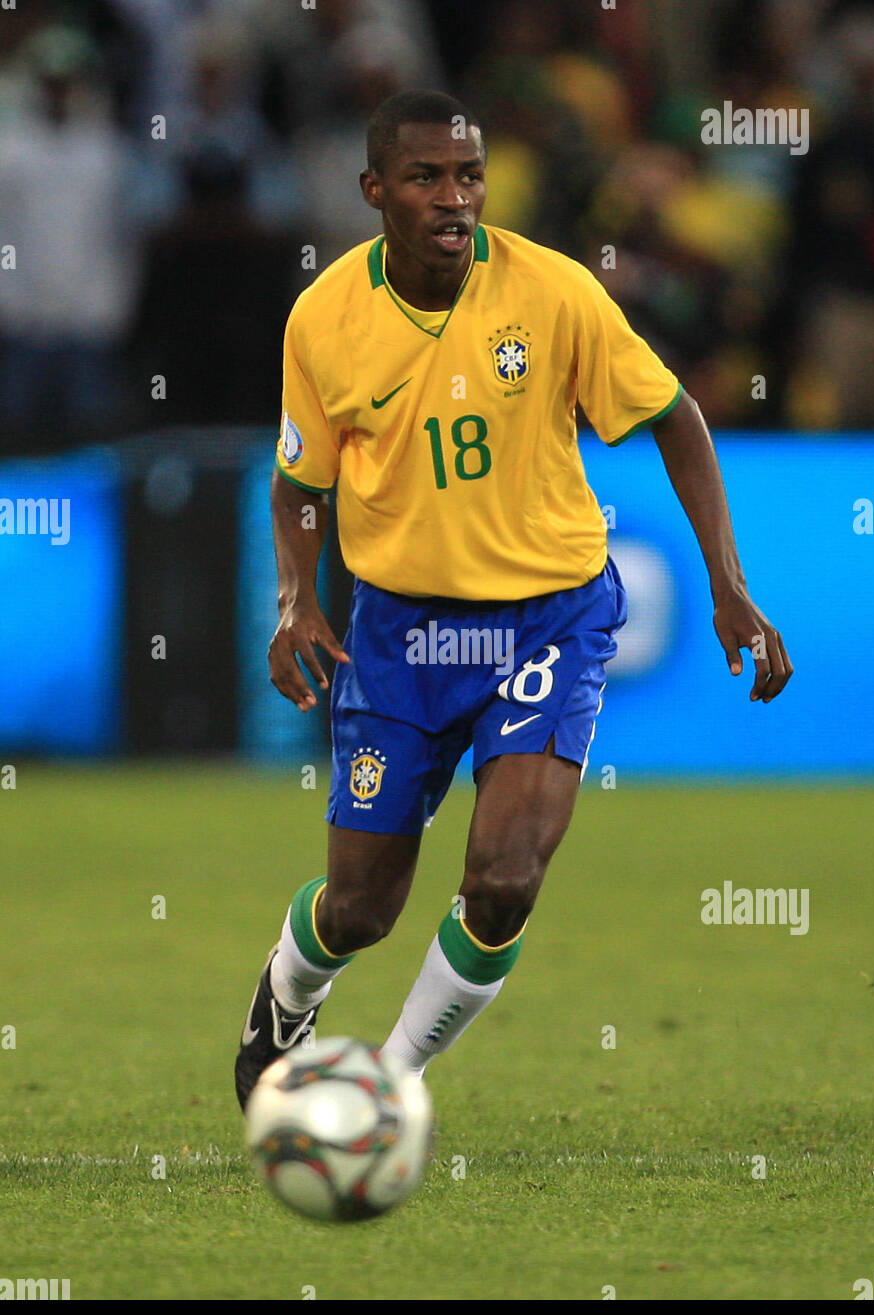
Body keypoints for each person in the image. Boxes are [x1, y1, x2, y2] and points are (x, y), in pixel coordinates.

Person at [234, 89, 792, 1110]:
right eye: (427, 177)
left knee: (502, 880)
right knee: (360, 907)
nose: (456, 198)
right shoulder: (324, 319)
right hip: (401, 632)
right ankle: (283, 998)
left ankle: (386, 1089)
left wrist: (729, 584)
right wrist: (294, 599)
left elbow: (676, 416)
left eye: (470, 175)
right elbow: (297, 482)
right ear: (375, 192)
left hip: (551, 615)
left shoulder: (554, 291)